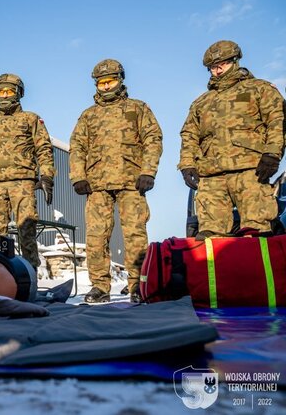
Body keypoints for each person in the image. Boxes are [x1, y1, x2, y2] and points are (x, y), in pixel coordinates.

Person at [69, 59, 163, 303]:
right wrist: (78, 176)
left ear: (120, 80)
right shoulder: (88, 116)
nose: (106, 86)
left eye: (110, 81)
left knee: (135, 235)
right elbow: (77, 147)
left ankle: (137, 285)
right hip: (97, 185)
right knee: (96, 236)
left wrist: (148, 171)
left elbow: (153, 139)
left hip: (132, 182)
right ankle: (100, 286)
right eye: (101, 83)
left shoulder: (137, 108)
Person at [179, 40, 285, 240]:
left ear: (235, 61)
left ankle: (259, 272)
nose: (217, 71)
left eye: (222, 65)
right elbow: (189, 134)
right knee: (210, 237)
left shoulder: (259, 89)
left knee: (257, 232)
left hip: (250, 172)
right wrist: (187, 165)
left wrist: (272, 154)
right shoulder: (201, 102)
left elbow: (277, 121)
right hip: (211, 176)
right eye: (212, 67)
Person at [0, 73, 56, 270]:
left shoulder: (31, 120)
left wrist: (47, 177)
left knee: (27, 231)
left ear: (18, 93)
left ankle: (30, 275)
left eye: (9, 91)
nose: (5, 95)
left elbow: (44, 149)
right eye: (1, 92)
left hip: (23, 183)